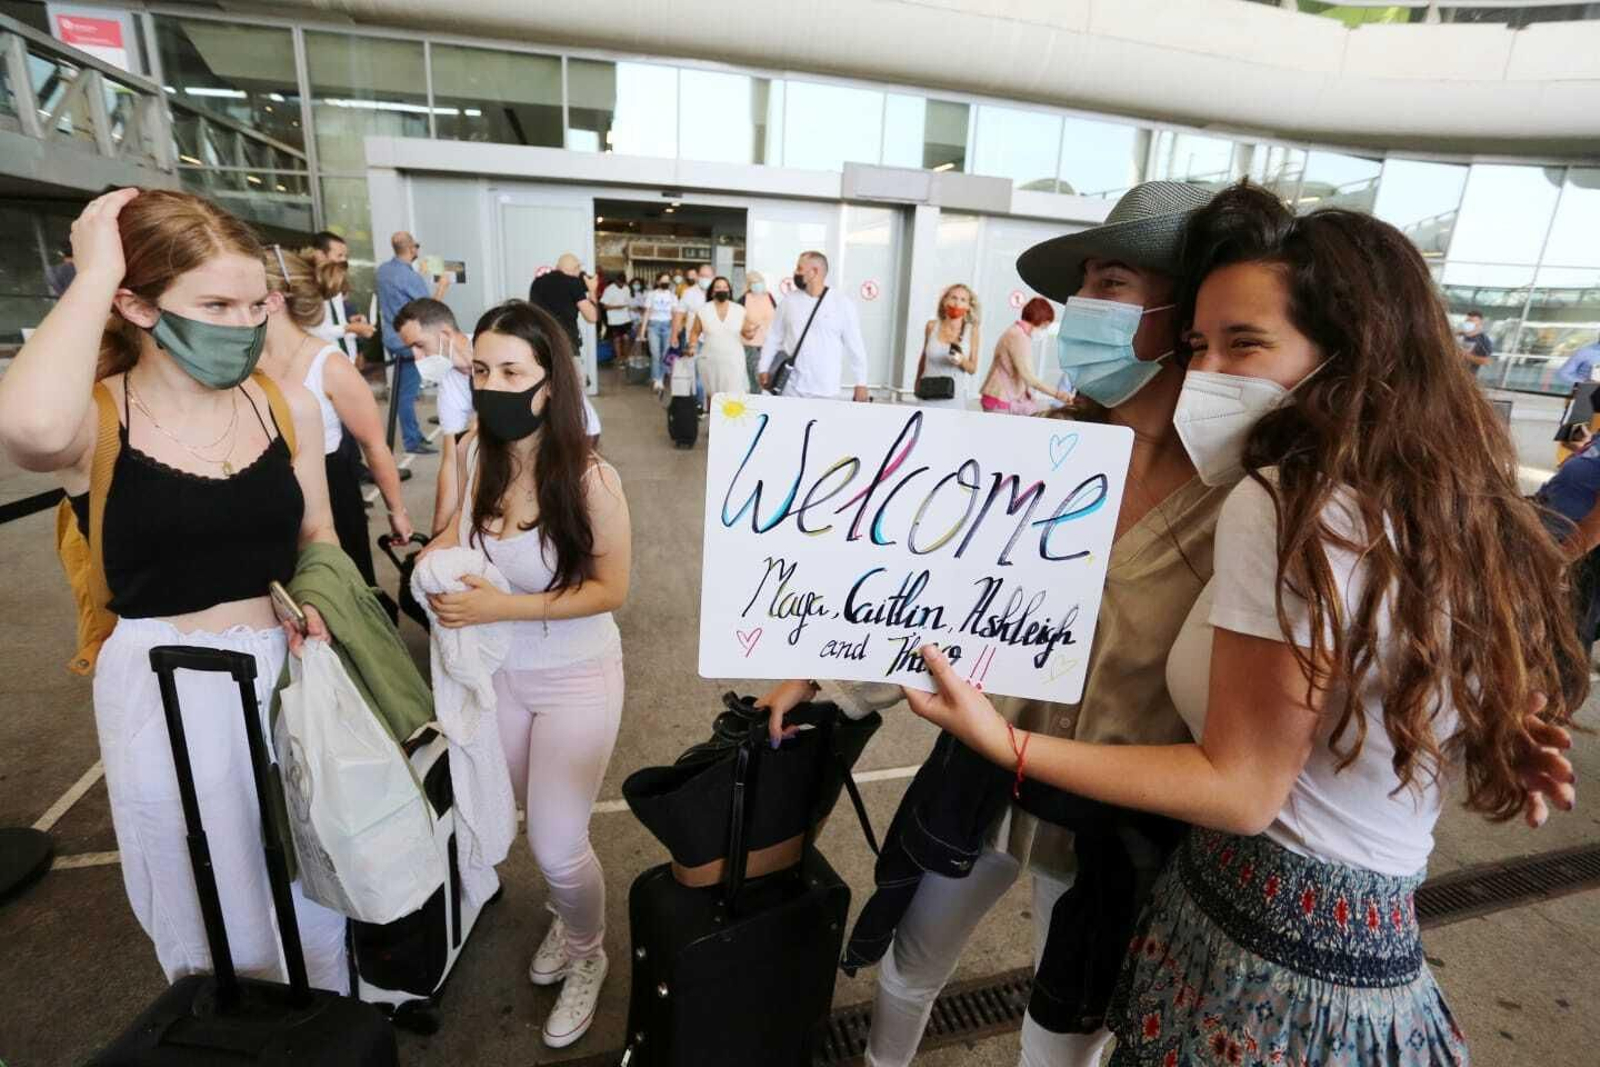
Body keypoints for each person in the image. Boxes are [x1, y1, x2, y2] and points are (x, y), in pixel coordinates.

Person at [903, 183, 1585, 1067]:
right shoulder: (1452, 503)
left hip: (1247, 948)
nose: (1212, 372)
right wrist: (1487, 720)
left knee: (1058, 1015)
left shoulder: (1272, 496)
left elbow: (1245, 783)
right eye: (1202, 345)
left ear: (1350, 348)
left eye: (1244, 343)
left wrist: (1011, 745)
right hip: (1376, 974)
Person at [762, 181, 1227, 1067]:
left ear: (1186, 310)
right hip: (984, 766)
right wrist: (823, 674)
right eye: (1083, 279)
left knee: (1068, 1026)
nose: (1081, 305)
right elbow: (935, 594)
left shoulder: (1240, 497)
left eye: (1112, 282)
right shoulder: (1038, 450)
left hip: (1116, 812)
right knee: (909, 960)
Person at [0, 187, 350, 989]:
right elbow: (30, 430)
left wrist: (322, 596)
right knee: (204, 893)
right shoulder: (95, 418)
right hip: (161, 689)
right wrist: (93, 276)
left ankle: (325, 1021)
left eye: (256, 301)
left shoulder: (285, 404)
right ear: (139, 305)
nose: (243, 323)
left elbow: (317, 536)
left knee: (312, 889)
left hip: (286, 673)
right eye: (216, 303)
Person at [421, 300, 631, 1049]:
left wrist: (500, 604)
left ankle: (590, 951)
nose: (493, 384)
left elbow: (611, 590)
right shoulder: (477, 456)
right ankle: (567, 919)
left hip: (577, 676)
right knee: (523, 820)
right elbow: (449, 535)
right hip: (500, 674)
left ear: (550, 384)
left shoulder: (591, 479)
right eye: (481, 370)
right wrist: (432, 565)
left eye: (512, 371)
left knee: (555, 840)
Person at [258, 246, 412, 585]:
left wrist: (396, 511)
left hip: (330, 491)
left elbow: (374, 445)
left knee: (340, 587)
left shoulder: (329, 365)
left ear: (272, 300)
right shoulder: (239, 361)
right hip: (263, 493)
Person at [757, 251, 870, 402]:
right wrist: (763, 367)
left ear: (814, 272)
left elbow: (855, 346)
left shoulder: (842, 304)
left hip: (826, 390)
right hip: (791, 388)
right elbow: (774, 337)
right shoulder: (789, 302)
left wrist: (861, 383)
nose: (795, 272)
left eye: (799, 268)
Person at [377, 230, 449, 455]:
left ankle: (415, 436)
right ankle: (413, 440)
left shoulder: (383, 271)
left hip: (391, 337)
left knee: (406, 390)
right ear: (411, 249)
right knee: (409, 392)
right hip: (407, 341)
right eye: (416, 246)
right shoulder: (410, 277)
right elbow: (428, 312)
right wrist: (442, 287)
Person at [978, 296, 1071, 414]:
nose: (1045, 330)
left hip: (1000, 397)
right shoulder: (1018, 336)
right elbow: (1029, 377)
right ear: (1040, 319)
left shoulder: (1018, 333)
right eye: (1045, 326)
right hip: (1000, 399)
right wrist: (1058, 394)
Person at [914, 284, 981, 409]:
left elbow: (972, 369)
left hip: (953, 398)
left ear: (968, 306)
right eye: (953, 298)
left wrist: (961, 360)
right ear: (945, 301)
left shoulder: (971, 331)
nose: (957, 304)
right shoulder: (932, 326)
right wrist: (917, 383)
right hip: (928, 393)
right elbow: (923, 358)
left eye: (963, 300)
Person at [686, 275, 748, 409]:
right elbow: (695, 332)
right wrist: (692, 346)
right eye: (718, 287)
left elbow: (746, 332)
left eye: (725, 287)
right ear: (712, 291)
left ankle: (731, 427)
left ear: (730, 291)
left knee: (733, 394)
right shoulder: (703, 310)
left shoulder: (739, 310)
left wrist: (751, 332)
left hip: (734, 360)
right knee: (713, 396)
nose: (722, 290)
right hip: (710, 360)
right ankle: (713, 426)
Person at [528, 253, 599, 358]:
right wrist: (592, 290)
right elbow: (592, 317)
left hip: (540, 344)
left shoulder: (537, 282)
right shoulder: (573, 283)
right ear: (576, 268)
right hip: (566, 345)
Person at [311, 259, 375, 363]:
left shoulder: (336, 295)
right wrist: (349, 328)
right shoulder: (311, 301)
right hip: (329, 361)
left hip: (348, 359)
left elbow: (340, 326)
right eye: (339, 277)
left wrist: (355, 328)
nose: (343, 282)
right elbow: (316, 333)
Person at [738, 270, 777, 391]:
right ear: (749, 285)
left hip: (768, 344)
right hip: (751, 345)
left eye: (759, 282)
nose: (757, 285)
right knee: (755, 378)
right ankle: (756, 404)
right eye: (753, 282)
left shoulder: (769, 296)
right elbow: (738, 321)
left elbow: (776, 317)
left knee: (768, 379)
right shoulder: (744, 299)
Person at [670, 262, 715, 352]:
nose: (704, 278)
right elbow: (679, 314)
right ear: (697, 277)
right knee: (692, 365)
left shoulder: (718, 292)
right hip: (693, 340)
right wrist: (674, 335)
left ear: (713, 277)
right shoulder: (689, 292)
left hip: (713, 340)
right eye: (702, 276)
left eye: (707, 276)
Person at [644, 273, 677, 391]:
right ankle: (656, 379)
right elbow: (647, 312)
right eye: (663, 281)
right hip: (653, 326)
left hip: (668, 326)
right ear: (657, 282)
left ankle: (660, 379)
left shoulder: (673, 296)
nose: (665, 283)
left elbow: (674, 315)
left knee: (665, 354)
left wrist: (675, 333)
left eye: (667, 281)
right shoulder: (651, 295)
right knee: (655, 354)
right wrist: (642, 331)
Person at [599, 272, 633, 364]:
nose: (622, 285)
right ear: (616, 281)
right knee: (617, 339)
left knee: (626, 338)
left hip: (625, 319)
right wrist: (617, 307)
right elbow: (604, 306)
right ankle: (619, 359)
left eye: (623, 283)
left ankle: (626, 357)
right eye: (620, 282)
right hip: (614, 320)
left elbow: (628, 302)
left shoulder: (626, 288)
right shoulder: (609, 289)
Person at [1458, 308, 1494, 373]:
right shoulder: (1459, 335)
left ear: (1480, 323)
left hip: (1466, 376)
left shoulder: (1484, 340)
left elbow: (1487, 361)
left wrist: (1467, 356)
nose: (1468, 323)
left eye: (1472, 321)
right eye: (1467, 321)